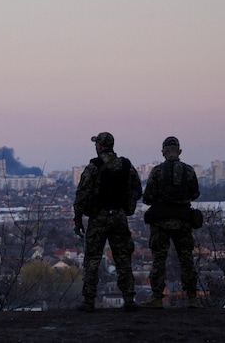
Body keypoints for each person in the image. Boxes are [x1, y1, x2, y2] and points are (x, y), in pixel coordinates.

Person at [73, 131, 142, 312]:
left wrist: (78, 219)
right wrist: (128, 206)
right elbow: (137, 188)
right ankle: (129, 298)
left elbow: (82, 194)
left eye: (96, 144)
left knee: (93, 258)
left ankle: (89, 300)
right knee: (122, 258)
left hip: (98, 217)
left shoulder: (94, 166)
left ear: (100, 146)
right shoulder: (126, 165)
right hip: (119, 217)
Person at [140, 136, 200, 308]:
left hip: (161, 223)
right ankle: (192, 298)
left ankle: (157, 297)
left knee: (159, 259)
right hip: (183, 221)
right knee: (186, 259)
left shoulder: (157, 171)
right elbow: (195, 194)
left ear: (163, 152)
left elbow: (148, 198)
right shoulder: (189, 171)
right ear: (179, 152)